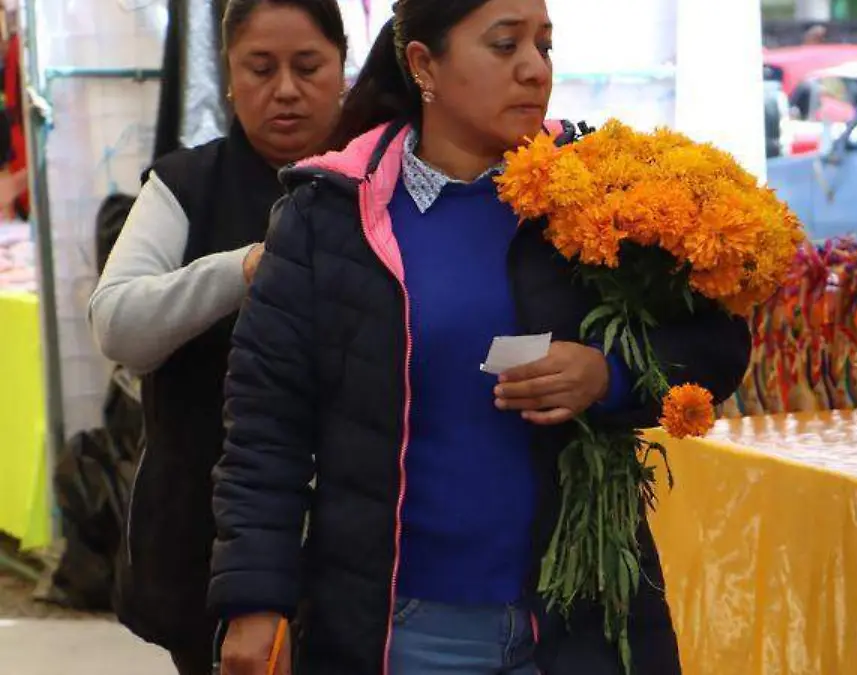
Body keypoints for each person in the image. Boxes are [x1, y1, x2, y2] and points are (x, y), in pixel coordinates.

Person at [210, 1, 752, 674]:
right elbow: (267, 426)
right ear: (424, 65)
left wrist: (607, 375)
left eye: (544, 46)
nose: (533, 69)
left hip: (582, 623)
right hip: (402, 629)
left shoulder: (605, 191)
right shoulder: (329, 216)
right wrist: (254, 598)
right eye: (504, 46)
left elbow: (717, 343)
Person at [86, 2, 347, 673]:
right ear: (229, 77)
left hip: (355, 537)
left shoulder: (376, 180)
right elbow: (119, 324)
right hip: (202, 540)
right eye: (260, 68)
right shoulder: (184, 184)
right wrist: (245, 267)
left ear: (342, 69)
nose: (285, 88)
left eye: (307, 66)